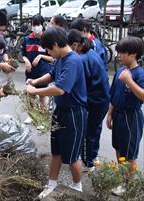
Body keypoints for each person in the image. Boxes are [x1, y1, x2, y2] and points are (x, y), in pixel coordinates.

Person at [25, 27, 87, 198]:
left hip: (74, 113)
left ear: (56, 45)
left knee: (73, 155)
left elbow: (59, 89)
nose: (48, 53)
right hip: (60, 111)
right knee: (56, 151)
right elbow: (52, 76)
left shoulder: (73, 61)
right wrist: (36, 81)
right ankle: (51, 183)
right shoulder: (60, 58)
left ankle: (77, 186)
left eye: (48, 49)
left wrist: (34, 91)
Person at [67, 29, 110, 172]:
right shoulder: (90, 53)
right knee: (94, 130)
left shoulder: (83, 59)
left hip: (95, 101)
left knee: (87, 133)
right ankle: (92, 157)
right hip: (101, 100)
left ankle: (87, 162)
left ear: (74, 45)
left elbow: (80, 83)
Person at [106, 36, 144, 196]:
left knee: (129, 154)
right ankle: (123, 180)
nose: (119, 56)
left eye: (122, 53)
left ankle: (130, 186)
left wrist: (130, 81)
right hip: (119, 115)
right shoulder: (120, 71)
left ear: (134, 54)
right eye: (118, 52)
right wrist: (110, 113)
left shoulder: (139, 74)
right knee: (119, 148)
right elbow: (114, 95)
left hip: (131, 117)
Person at [21, 14, 54, 124]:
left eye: (38, 25)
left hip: (43, 72)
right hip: (30, 72)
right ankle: (32, 115)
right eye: (33, 25)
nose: (35, 27)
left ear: (42, 25)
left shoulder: (47, 39)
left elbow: (53, 58)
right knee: (30, 94)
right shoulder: (27, 39)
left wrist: (40, 56)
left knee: (42, 95)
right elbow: (23, 54)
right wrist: (26, 61)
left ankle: (42, 118)